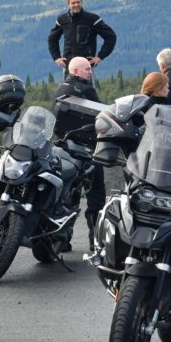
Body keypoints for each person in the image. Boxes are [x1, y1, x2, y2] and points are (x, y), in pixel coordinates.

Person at [52, 57, 105, 251]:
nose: (90, 72)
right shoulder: (87, 90)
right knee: (96, 196)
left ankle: (63, 240)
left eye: (90, 68)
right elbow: (101, 117)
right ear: (75, 70)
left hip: (65, 150)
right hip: (88, 150)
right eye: (86, 69)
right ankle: (96, 241)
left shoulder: (61, 89)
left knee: (69, 195)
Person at [48, 0, 116, 74]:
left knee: (87, 87)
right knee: (68, 87)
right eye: (73, 3)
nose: (76, 5)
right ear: (68, 4)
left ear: (82, 3)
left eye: (78, 2)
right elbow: (52, 39)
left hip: (86, 66)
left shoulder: (93, 19)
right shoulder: (62, 20)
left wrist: (100, 56)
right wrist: (56, 57)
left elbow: (111, 37)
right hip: (69, 65)